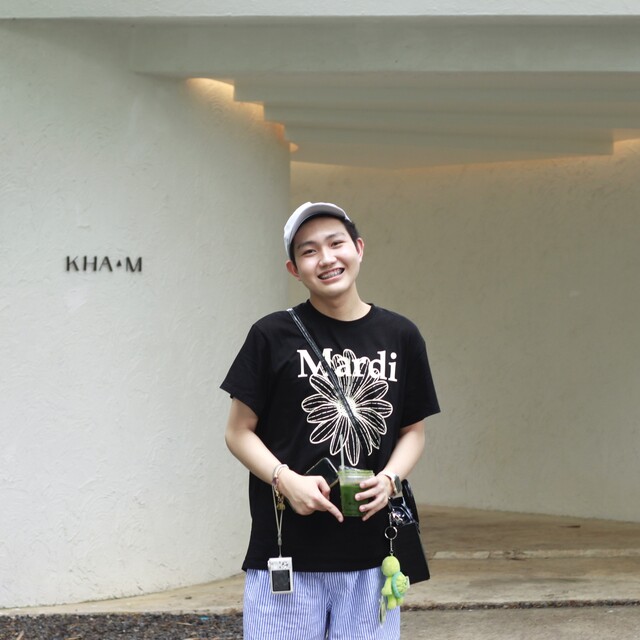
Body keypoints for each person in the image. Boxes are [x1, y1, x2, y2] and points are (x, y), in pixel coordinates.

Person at [221, 202, 440, 639]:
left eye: (336, 243)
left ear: (358, 248)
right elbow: (237, 432)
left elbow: (413, 432)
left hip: (372, 554)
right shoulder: (271, 335)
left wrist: (391, 478)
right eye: (309, 251)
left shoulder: (401, 335)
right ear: (294, 269)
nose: (326, 258)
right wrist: (285, 480)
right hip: (286, 551)